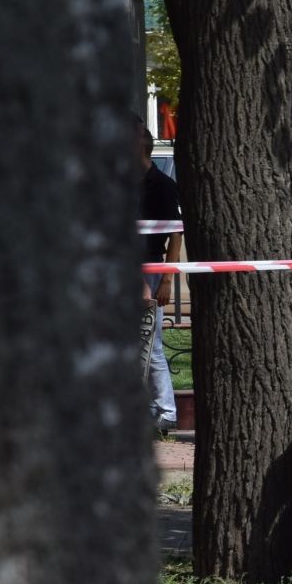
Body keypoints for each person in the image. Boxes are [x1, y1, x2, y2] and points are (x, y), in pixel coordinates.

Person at [136, 117, 182, 433]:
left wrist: (165, 279)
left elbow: (175, 233)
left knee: (150, 345)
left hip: (150, 271)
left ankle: (166, 411)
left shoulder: (163, 186)